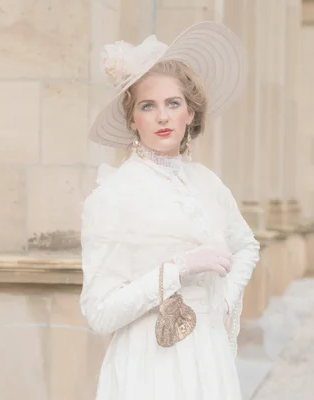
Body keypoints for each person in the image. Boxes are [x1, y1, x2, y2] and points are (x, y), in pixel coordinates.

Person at [79, 22, 260, 400]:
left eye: (172, 104)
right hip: (149, 367)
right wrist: (176, 271)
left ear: (190, 114)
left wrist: (224, 300)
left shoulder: (207, 182)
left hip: (208, 363)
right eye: (148, 106)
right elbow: (99, 313)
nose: (162, 116)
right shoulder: (113, 195)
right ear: (133, 119)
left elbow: (246, 246)